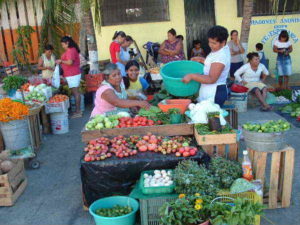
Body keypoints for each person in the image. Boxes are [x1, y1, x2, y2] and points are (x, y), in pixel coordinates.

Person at [182, 25, 230, 108]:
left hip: (214, 92)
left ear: (223, 42)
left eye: (214, 43)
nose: (210, 45)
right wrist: (202, 60)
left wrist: (192, 76)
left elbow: (211, 79)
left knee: (212, 119)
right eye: (209, 42)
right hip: (210, 91)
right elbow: (214, 64)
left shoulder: (221, 56)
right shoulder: (219, 50)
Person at [56, 36, 82, 118]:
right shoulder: (72, 49)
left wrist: (61, 61)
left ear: (67, 43)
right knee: (75, 92)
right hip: (71, 74)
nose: (62, 46)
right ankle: (78, 111)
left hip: (73, 74)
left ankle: (78, 111)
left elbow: (70, 62)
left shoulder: (71, 50)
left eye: (63, 44)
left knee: (76, 92)